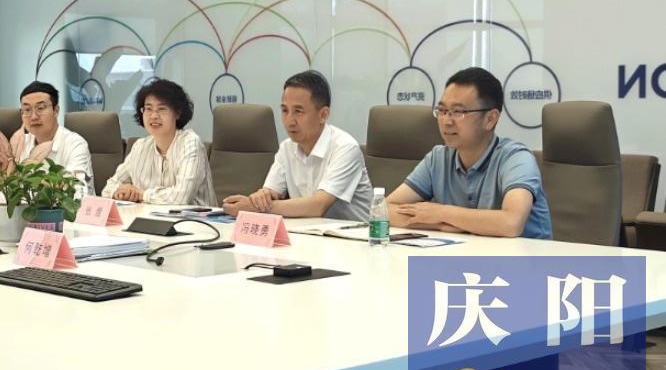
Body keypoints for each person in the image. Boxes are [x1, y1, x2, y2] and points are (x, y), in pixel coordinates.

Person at [386, 66, 552, 239]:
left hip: (526, 255)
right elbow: (384, 211)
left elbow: (511, 223)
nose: (446, 121)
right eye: (442, 111)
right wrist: (442, 225)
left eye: (458, 112)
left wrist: (442, 213)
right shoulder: (438, 158)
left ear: (490, 119)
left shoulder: (516, 158)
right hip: (468, 254)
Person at [222, 71, 372, 220]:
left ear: (323, 115)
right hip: (307, 231)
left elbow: (318, 206)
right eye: (285, 110)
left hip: (355, 233)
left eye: (298, 112)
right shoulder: (286, 148)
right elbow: (270, 192)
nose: (289, 121)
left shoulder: (345, 148)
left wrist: (255, 207)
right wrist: (260, 198)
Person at [101, 79, 216, 206]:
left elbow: (180, 197)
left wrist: (141, 194)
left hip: (194, 218)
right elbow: (108, 188)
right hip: (147, 217)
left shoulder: (190, 143)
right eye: (148, 109)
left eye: (162, 109)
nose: (154, 116)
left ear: (177, 113)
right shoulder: (140, 147)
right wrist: (121, 192)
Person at [16, 81, 93, 184]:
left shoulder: (76, 144)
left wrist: (38, 173)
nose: (33, 117)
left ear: (56, 111)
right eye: (27, 110)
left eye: (40, 108)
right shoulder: (20, 144)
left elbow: (77, 187)